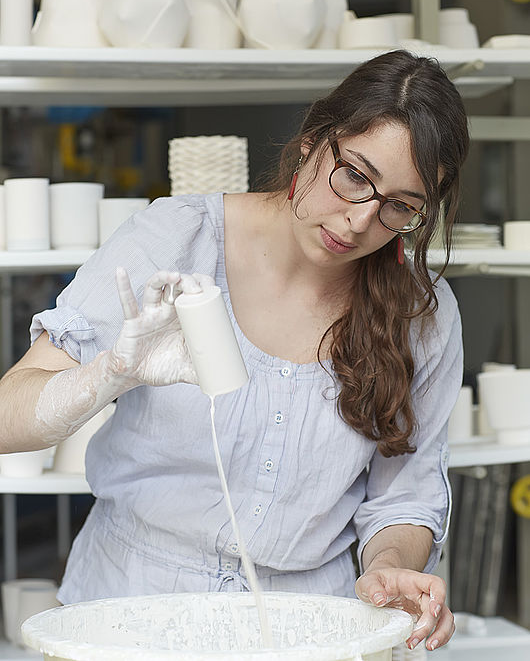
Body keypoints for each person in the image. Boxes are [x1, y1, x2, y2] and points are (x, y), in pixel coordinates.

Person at [0, 50, 468, 653]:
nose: (358, 221)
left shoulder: (420, 314)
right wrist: (107, 375)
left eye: (400, 206)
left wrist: (387, 566)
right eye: (355, 175)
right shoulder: (175, 240)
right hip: (130, 614)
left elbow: (404, 495)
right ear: (313, 140)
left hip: (303, 630)